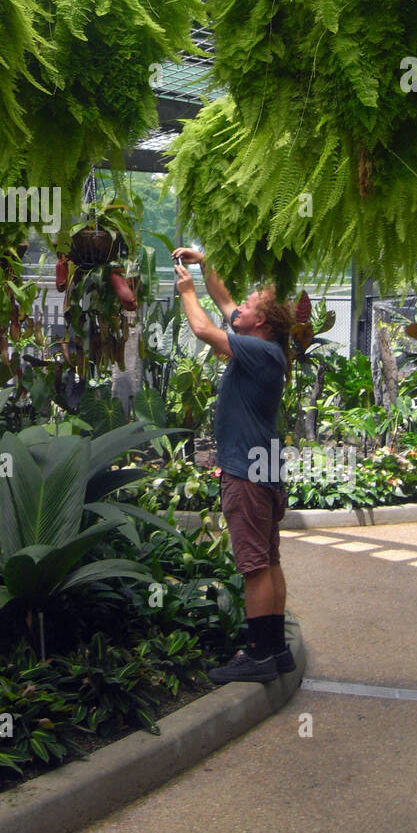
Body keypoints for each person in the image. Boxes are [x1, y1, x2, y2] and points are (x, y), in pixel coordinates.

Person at [172, 246, 296, 682]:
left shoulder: (260, 354)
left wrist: (186, 289)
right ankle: (277, 650)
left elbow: (204, 327)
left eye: (248, 306)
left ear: (259, 322)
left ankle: (258, 655)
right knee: (270, 559)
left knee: (254, 565)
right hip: (264, 469)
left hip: (246, 472)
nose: (238, 307)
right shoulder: (261, 347)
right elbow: (223, 302)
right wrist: (204, 264)